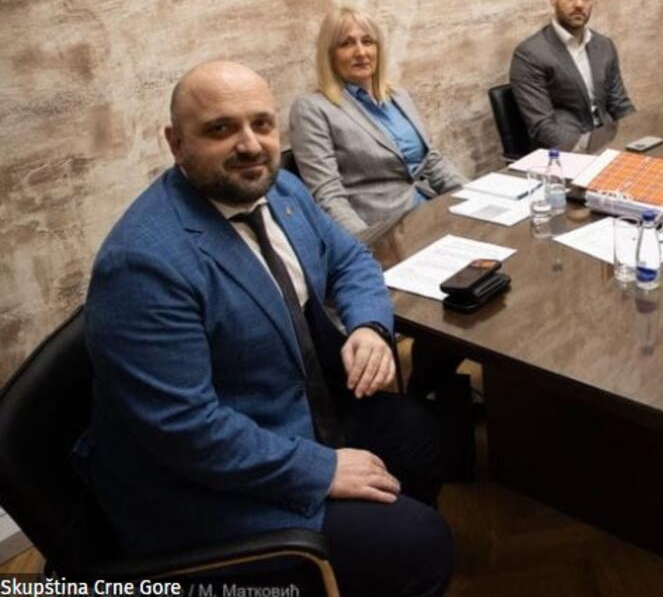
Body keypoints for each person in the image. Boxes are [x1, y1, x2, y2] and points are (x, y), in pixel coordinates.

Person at [74, 61, 453, 597]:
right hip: (207, 489)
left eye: (262, 124)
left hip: (293, 411)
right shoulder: (143, 264)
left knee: (420, 434)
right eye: (221, 129)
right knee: (418, 544)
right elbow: (185, 430)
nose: (250, 145)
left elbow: (352, 261)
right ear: (176, 143)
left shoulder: (281, 193)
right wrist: (320, 469)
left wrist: (368, 325)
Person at [290, 7, 466, 241]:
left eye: (367, 42)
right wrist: (367, 247)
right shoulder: (312, 109)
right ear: (329, 54)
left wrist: (475, 196)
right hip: (383, 232)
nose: (361, 52)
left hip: (429, 211)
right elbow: (328, 196)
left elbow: (432, 160)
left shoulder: (398, 96)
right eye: (346, 44)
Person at [510, 0, 636, 150]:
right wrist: (590, 151)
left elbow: (620, 105)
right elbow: (542, 128)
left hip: (610, 144)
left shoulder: (604, 45)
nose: (579, 4)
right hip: (568, 153)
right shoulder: (530, 54)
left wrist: (636, 139)